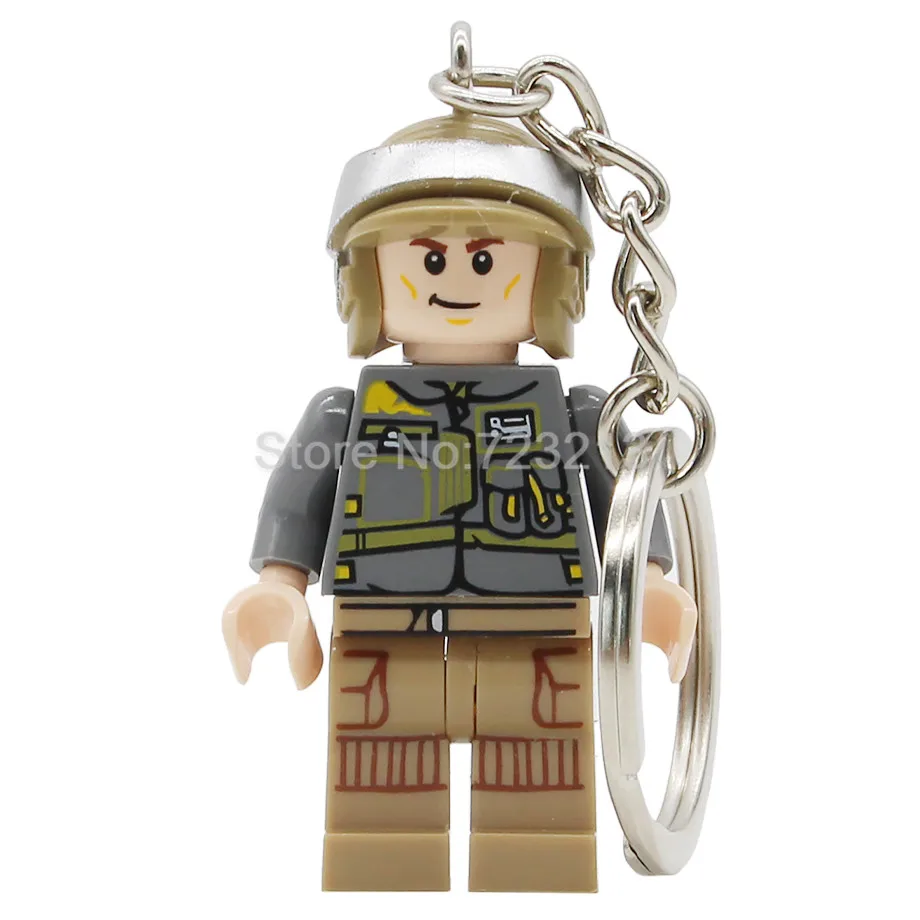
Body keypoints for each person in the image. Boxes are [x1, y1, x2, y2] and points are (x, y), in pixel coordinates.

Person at [222, 113, 697, 892]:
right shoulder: (344, 414)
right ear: (368, 279)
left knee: (538, 764)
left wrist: (644, 582)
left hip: (538, 624)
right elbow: (298, 498)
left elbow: (626, 499)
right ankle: (386, 873)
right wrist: (280, 586)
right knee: (382, 766)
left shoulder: (577, 412)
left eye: (485, 258)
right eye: (429, 257)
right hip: (384, 622)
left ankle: (533, 874)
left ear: (552, 279)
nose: (457, 281)